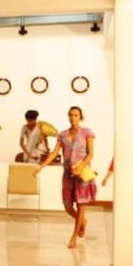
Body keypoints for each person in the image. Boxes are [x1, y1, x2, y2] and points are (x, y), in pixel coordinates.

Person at [34, 106, 96, 248]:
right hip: (68, 174)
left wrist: (81, 166)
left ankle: (74, 237)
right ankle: (83, 221)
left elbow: (91, 154)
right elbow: (54, 153)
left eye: (76, 115)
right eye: (71, 115)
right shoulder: (62, 134)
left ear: (80, 117)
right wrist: (41, 167)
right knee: (67, 206)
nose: (73, 117)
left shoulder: (87, 132)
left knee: (81, 205)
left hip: (82, 174)